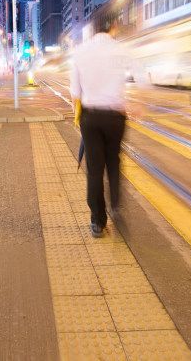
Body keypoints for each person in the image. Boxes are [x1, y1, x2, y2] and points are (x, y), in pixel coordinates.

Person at [70, 17, 130, 238]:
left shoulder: (80, 51)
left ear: (94, 30)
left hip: (91, 117)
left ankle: (98, 222)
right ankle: (115, 206)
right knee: (113, 161)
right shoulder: (120, 49)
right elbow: (141, 76)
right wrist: (140, 104)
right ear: (114, 25)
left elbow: (75, 92)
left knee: (94, 169)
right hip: (116, 115)